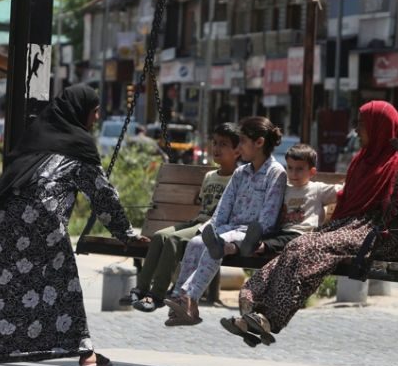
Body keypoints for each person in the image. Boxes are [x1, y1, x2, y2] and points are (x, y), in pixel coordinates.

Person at [0, 84, 145, 366]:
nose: (95, 118)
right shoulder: (80, 144)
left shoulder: (35, 135)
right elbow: (102, 194)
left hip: (5, 221)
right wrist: (125, 233)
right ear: (81, 111)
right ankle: (85, 353)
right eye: (94, 112)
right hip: (44, 223)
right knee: (63, 285)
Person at [221, 101, 398, 346]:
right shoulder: (361, 160)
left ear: (380, 127)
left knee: (313, 249)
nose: (356, 130)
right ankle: (252, 306)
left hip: (377, 235)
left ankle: (268, 317)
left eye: (362, 124)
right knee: (298, 245)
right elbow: (347, 200)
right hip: (347, 227)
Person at [164, 117, 286, 326]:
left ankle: (188, 299)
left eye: (243, 141)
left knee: (216, 246)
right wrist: (211, 229)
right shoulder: (241, 173)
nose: (239, 147)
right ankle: (180, 298)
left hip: (250, 234)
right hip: (228, 229)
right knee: (196, 243)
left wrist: (224, 235)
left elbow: (267, 219)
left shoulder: (276, 173)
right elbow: (223, 209)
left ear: (259, 143)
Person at [130, 123, 240, 312]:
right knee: (159, 236)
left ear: (237, 151)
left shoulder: (238, 178)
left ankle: (157, 294)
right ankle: (141, 288)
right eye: (215, 143)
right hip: (197, 221)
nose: (217, 148)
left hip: (212, 227)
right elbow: (202, 203)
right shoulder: (210, 176)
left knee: (173, 240)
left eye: (223, 144)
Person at [238, 144, 340, 257]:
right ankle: (242, 246)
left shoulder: (317, 189)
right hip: (282, 230)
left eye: (299, 169)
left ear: (311, 172)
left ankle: (260, 248)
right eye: (290, 168)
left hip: (303, 233)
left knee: (289, 241)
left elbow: (341, 191)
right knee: (270, 236)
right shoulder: (283, 187)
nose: (293, 173)